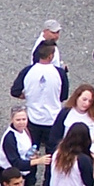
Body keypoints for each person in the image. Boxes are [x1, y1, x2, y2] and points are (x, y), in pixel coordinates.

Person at [11, 42, 69, 173]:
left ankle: (30, 182)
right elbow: (63, 96)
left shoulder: (28, 71)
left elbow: (15, 91)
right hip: (53, 119)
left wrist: (28, 96)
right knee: (52, 154)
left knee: (31, 151)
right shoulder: (60, 73)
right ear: (50, 56)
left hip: (32, 118)